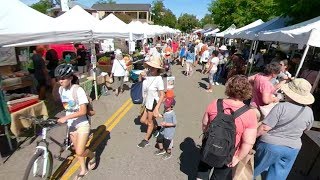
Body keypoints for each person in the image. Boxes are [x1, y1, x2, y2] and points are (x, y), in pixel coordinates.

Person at [197, 75, 257, 180]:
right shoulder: (250, 114)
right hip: (229, 153)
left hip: (209, 146)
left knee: (202, 172)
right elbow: (248, 142)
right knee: (219, 176)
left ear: (229, 87)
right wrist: (238, 157)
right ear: (248, 91)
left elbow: (205, 125)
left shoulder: (215, 103)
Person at [254, 78, 314, 180]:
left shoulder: (281, 107)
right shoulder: (309, 111)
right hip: (292, 148)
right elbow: (307, 128)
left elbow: (264, 128)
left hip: (271, 145)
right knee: (277, 176)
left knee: (252, 170)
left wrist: (251, 138)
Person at [54, 64, 96, 180]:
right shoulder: (61, 89)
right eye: (58, 78)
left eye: (63, 78)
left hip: (82, 124)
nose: (60, 81)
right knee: (77, 150)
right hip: (72, 125)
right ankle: (83, 169)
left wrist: (66, 118)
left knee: (80, 150)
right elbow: (67, 107)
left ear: (70, 78)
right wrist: (67, 118)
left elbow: (83, 111)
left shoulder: (78, 90)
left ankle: (92, 155)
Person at [137, 57, 165, 148]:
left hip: (153, 102)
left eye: (153, 67)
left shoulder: (158, 79)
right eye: (150, 66)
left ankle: (146, 140)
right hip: (146, 101)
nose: (151, 68)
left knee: (149, 122)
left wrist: (157, 108)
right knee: (142, 120)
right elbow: (140, 83)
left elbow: (162, 95)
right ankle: (156, 128)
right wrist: (140, 76)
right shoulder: (147, 74)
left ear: (157, 69)